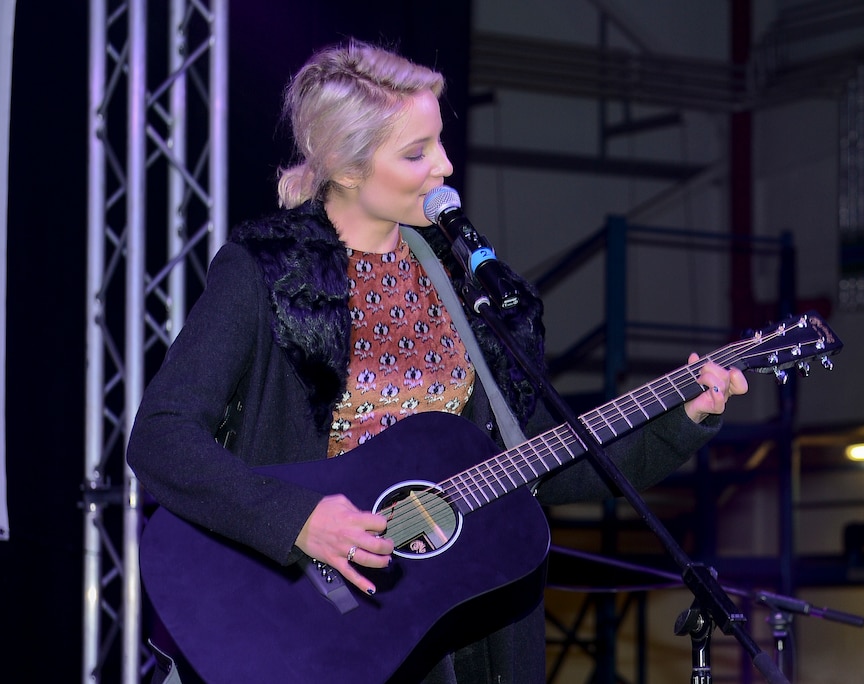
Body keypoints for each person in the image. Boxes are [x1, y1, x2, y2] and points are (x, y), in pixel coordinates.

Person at [127, 38, 748, 684]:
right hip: (297, 618)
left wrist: (683, 418)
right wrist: (299, 521)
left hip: (439, 636)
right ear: (346, 165)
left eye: (439, 143)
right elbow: (161, 438)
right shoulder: (267, 273)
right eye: (417, 152)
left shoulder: (457, 284)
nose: (445, 166)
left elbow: (536, 461)